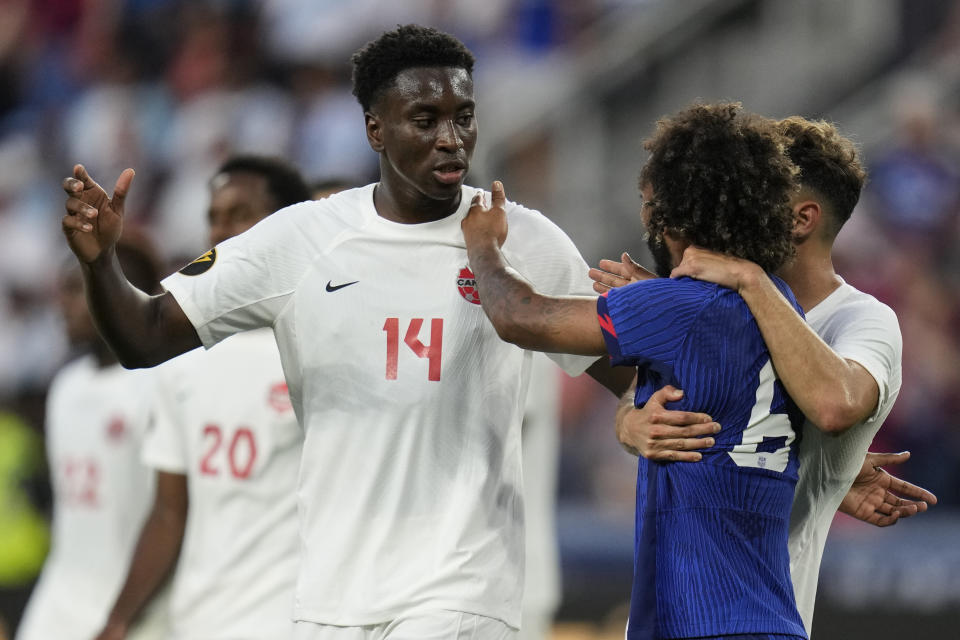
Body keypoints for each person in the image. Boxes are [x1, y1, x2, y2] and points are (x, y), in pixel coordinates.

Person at [60, 25, 631, 639]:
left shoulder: (520, 238)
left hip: (462, 594)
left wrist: (635, 412)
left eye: (463, 117)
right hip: (330, 602)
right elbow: (144, 337)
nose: (451, 140)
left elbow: (621, 369)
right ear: (374, 130)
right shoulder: (303, 238)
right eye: (424, 119)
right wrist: (100, 264)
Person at [462, 102, 808, 639]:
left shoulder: (679, 309)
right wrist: (629, 414)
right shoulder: (777, 304)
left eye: (648, 204)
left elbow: (519, 317)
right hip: (766, 617)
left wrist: (483, 246)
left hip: (700, 620)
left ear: (668, 214)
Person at [591, 116, 937, 634]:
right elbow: (656, 395)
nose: (734, 205)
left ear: (801, 218)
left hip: (757, 620)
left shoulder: (861, 318)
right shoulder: (711, 305)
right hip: (674, 614)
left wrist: (753, 282)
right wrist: (629, 421)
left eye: (760, 192)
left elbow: (834, 404)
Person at [95, 156, 312, 640]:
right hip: (195, 620)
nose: (220, 229)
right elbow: (170, 511)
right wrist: (117, 621)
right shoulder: (181, 361)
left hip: (292, 621)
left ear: (286, 225)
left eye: (240, 214)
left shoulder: (320, 344)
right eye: (213, 216)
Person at [16, 234, 168, 640]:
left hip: (136, 610)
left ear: (119, 293)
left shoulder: (160, 386)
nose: (61, 306)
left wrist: (124, 616)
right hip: (61, 598)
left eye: (75, 291)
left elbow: (173, 511)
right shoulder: (65, 386)